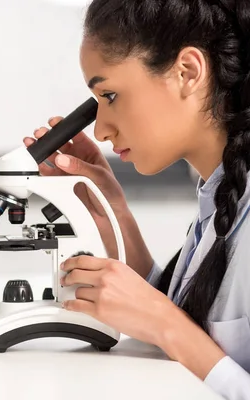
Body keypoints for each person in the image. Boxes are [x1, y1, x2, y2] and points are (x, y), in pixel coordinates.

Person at [23, 0, 250, 399]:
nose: (101, 129)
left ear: (187, 72)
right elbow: (198, 321)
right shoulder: (219, 194)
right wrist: (113, 214)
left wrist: (167, 324)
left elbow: (187, 338)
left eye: (109, 95)